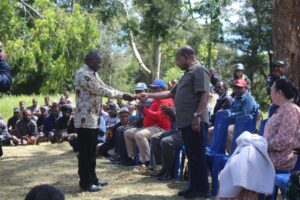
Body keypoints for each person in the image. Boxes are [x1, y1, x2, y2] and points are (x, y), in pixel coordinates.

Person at [138, 45, 211, 198]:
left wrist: (197, 115)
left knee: (197, 155)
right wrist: (149, 95)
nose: (177, 63)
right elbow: (169, 93)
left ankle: (202, 189)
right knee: (192, 155)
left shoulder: (199, 70)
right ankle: (194, 186)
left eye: (178, 59)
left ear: (186, 56)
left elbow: (205, 94)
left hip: (195, 121)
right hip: (185, 122)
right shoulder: (186, 74)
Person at [74, 50, 134, 192]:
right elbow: (101, 90)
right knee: (85, 153)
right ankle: (85, 182)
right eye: (98, 61)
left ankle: (93, 179)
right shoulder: (83, 74)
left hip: (93, 118)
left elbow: (106, 86)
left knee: (92, 151)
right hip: (84, 120)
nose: (100, 65)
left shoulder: (93, 74)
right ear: (90, 60)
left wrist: (123, 93)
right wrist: (123, 95)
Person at [124, 79, 174, 172]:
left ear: (162, 89)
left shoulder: (165, 99)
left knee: (139, 135)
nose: (153, 91)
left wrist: (145, 110)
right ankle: (133, 159)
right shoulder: (155, 99)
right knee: (128, 133)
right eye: (152, 89)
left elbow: (159, 117)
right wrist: (143, 108)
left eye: (156, 89)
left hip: (160, 128)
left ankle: (147, 162)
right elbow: (149, 115)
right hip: (151, 127)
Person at [265, 79, 300, 171]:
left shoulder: (291, 110)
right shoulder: (283, 109)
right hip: (271, 155)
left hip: (282, 158)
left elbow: (284, 139)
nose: (270, 93)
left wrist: (263, 146)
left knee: (246, 161)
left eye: (271, 90)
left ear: (279, 92)